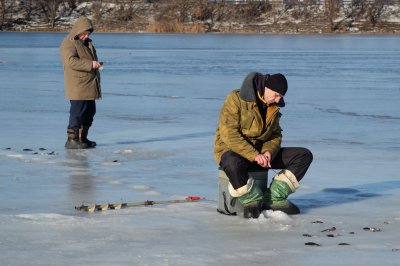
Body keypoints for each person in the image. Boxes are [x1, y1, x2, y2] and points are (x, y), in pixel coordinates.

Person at [214, 72, 313, 218]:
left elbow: (275, 135)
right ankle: (252, 201)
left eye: (281, 96)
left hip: (260, 154)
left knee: (303, 156)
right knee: (232, 162)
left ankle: (273, 198)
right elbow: (229, 134)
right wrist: (254, 155)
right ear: (266, 88)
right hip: (233, 151)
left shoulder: (273, 106)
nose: (278, 100)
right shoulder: (235, 98)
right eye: (276, 95)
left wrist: (268, 152)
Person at [60, 16, 102, 149]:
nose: (85, 36)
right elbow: (70, 61)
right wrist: (91, 64)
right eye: (84, 33)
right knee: (77, 113)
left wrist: (96, 64)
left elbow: (88, 61)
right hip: (78, 85)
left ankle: (83, 138)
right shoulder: (68, 43)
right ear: (78, 30)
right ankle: (72, 140)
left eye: (88, 33)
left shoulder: (88, 43)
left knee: (90, 112)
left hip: (90, 84)